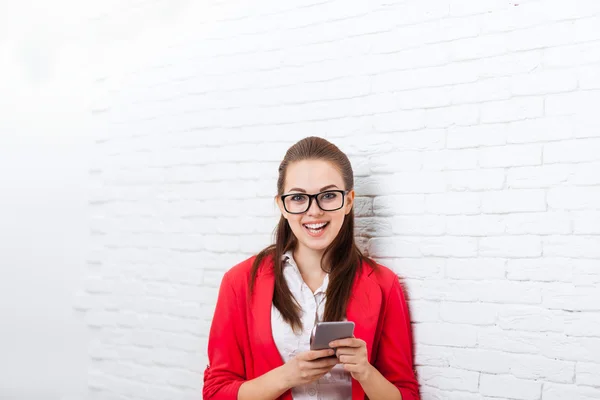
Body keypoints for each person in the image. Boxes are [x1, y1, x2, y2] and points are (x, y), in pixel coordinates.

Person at [203, 137, 420, 400]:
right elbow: (215, 393)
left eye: (328, 196)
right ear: (282, 205)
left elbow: (406, 394)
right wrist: (287, 376)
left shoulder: (384, 285)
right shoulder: (240, 281)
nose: (313, 211)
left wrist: (365, 372)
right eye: (298, 198)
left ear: (349, 201)